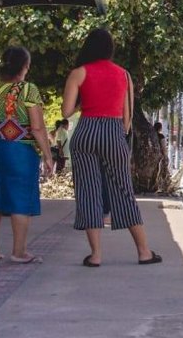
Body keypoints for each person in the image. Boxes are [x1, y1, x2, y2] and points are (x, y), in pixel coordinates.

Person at [62, 28, 161, 267]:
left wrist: (84, 104)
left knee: (88, 192)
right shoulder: (124, 75)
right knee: (124, 191)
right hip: (113, 132)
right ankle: (144, 252)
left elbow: (65, 111)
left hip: (85, 132)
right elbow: (127, 118)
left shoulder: (78, 73)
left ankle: (95, 255)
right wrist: (117, 131)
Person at [0, 47, 53, 263]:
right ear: (25, 66)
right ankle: (19, 252)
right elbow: (38, 128)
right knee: (21, 199)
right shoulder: (28, 90)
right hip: (21, 150)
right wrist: (47, 155)